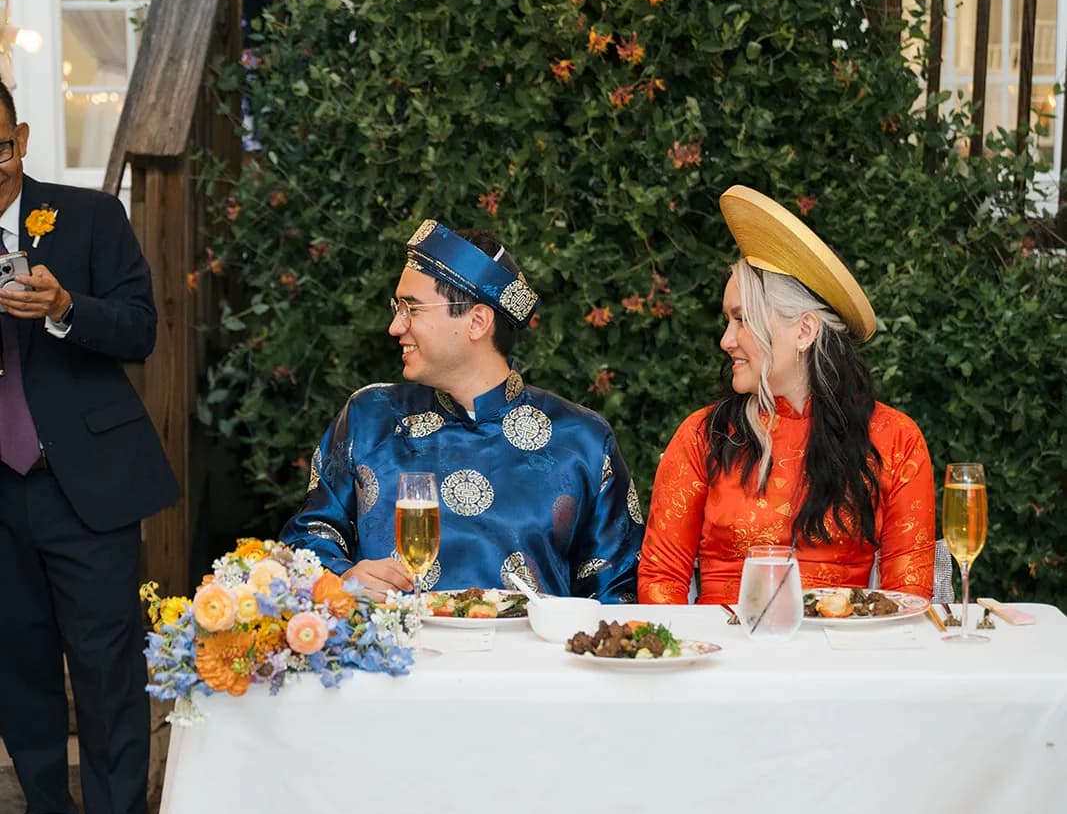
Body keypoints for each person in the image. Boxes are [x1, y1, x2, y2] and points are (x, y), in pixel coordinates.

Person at [0, 81, 178, 814]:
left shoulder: (87, 216)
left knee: (107, 668)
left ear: (22, 138)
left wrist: (68, 308)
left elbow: (141, 329)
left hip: (87, 485)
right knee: (15, 663)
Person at [281, 221, 643, 600]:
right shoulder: (370, 417)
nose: (394, 326)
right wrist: (345, 577)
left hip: (530, 659)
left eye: (411, 308)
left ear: (476, 321)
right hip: (398, 654)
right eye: (397, 308)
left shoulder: (581, 440)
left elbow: (617, 591)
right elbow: (307, 540)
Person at [639, 185, 935, 604]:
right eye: (728, 320)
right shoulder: (702, 436)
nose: (726, 340)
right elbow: (660, 578)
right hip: (725, 659)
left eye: (741, 319)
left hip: (840, 660)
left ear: (804, 330)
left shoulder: (895, 439)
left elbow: (908, 598)